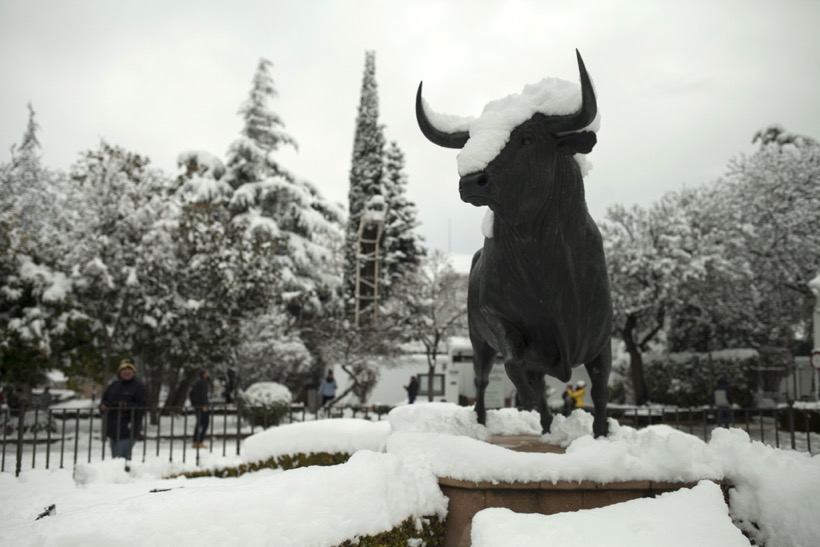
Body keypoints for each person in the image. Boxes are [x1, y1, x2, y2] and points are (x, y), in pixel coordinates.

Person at [99, 359, 148, 465]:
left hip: (129, 429)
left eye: (129, 369)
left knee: (122, 458)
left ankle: (124, 477)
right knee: (114, 458)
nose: (126, 371)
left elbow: (142, 406)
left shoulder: (139, 387)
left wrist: (127, 406)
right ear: (119, 372)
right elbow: (105, 400)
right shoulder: (114, 385)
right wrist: (103, 406)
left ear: (133, 371)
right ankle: (116, 477)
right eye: (123, 369)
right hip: (113, 429)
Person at [189, 370, 210, 449]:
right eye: (207, 373)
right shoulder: (203, 383)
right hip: (202, 407)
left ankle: (195, 441)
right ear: (204, 374)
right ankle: (199, 441)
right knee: (205, 423)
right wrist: (205, 404)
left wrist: (194, 405)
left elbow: (191, 394)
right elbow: (203, 394)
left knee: (199, 424)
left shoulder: (197, 383)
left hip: (197, 407)